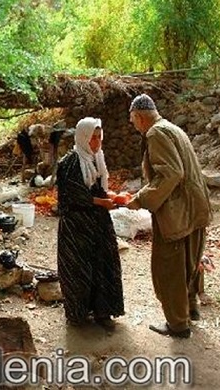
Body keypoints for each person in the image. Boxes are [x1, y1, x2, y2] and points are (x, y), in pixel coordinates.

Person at [126, 94, 212, 339]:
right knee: (190, 260)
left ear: (140, 117)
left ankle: (177, 324)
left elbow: (171, 173)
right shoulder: (174, 128)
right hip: (195, 207)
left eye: (133, 122)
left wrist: (141, 199)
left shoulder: (155, 134)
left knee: (170, 268)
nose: (134, 127)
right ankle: (190, 310)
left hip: (177, 212)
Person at [56, 117, 125, 329]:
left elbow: (98, 187)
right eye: (92, 138)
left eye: (99, 137)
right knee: (78, 268)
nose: (97, 142)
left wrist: (112, 197)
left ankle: (103, 312)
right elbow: (70, 195)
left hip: (98, 222)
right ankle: (78, 313)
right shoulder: (70, 162)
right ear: (83, 138)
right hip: (77, 225)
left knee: (102, 265)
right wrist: (100, 202)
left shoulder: (98, 158)